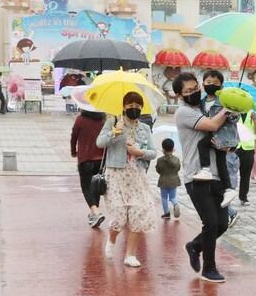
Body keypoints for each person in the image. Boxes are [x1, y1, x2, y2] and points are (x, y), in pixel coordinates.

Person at [175, 71, 233, 283]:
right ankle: (209, 268)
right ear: (179, 95)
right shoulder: (183, 112)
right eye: (188, 91)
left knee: (222, 224)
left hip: (217, 173)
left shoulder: (206, 107)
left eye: (195, 88)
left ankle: (195, 246)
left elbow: (223, 132)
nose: (194, 93)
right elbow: (211, 126)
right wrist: (230, 107)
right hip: (196, 176)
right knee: (210, 222)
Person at [95, 91, 158, 268]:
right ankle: (112, 238)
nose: (134, 108)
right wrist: (114, 133)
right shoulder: (113, 122)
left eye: (138, 106)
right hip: (116, 175)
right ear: (123, 106)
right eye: (130, 105)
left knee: (139, 214)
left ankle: (130, 255)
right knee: (119, 217)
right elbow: (99, 143)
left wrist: (140, 153)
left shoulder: (144, 128)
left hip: (137, 177)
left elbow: (153, 152)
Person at [187, 69, 238, 208]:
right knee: (221, 163)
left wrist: (231, 112)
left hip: (222, 136)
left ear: (221, 86)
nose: (211, 84)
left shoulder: (224, 100)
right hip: (212, 134)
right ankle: (228, 189)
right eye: (208, 82)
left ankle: (205, 169)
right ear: (203, 84)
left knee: (202, 145)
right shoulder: (202, 102)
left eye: (215, 83)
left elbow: (234, 118)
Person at [71, 107, 107, 229]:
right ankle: (94, 214)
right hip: (100, 159)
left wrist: (73, 151)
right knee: (95, 186)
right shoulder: (103, 120)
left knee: (86, 187)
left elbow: (74, 137)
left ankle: (96, 212)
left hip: (85, 158)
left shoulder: (80, 119)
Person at [235, 109, 256, 205]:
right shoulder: (232, 113)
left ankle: (243, 197)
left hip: (248, 149)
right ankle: (226, 195)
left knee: (245, 175)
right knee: (229, 174)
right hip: (234, 148)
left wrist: (255, 120)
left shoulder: (253, 114)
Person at [156, 137, 182, 221]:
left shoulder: (160, 160)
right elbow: (178, 169)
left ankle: (166, 213)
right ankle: (175, 203)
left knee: (164, 198)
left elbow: (158, 170)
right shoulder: (177, 159)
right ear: (173, 148)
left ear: (163, 149)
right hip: (174, 181)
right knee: (172, 197)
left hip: (163, 181)